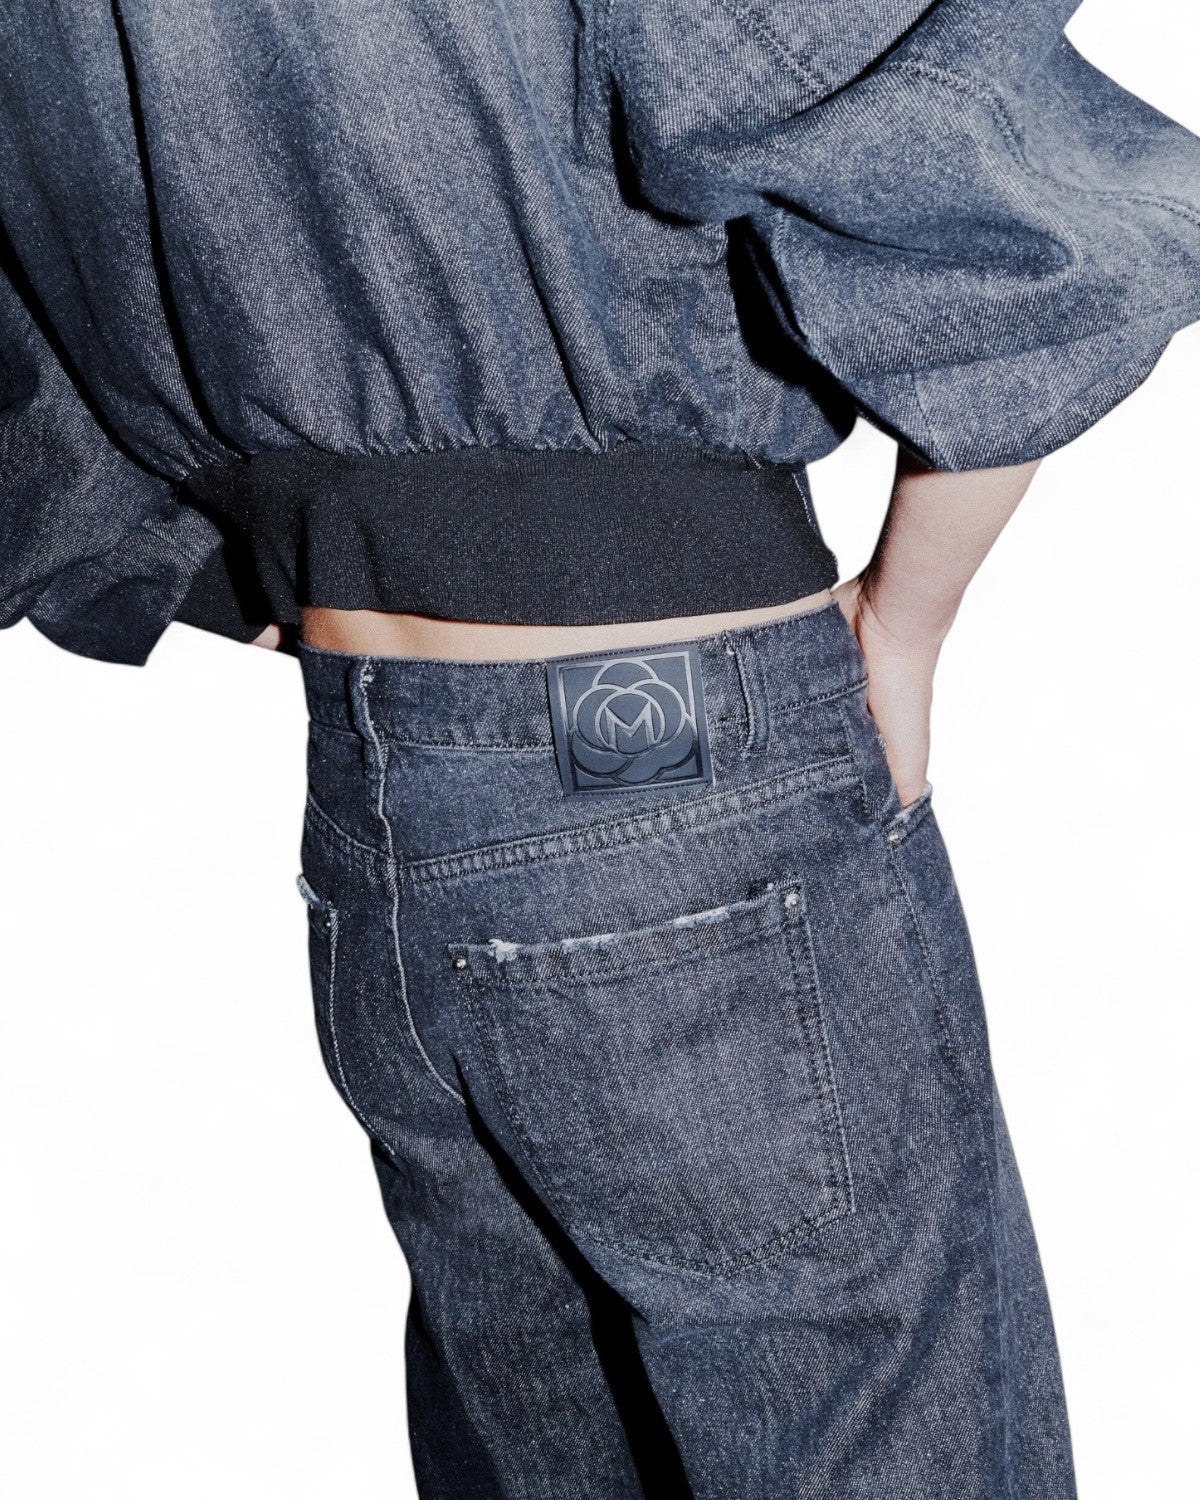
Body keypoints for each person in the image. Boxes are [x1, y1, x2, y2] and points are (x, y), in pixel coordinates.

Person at [1, 3, 1197, 1495]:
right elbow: (975, 181)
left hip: (388, 810)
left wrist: (323, 575)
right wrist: (905, 625)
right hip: (694, 774)